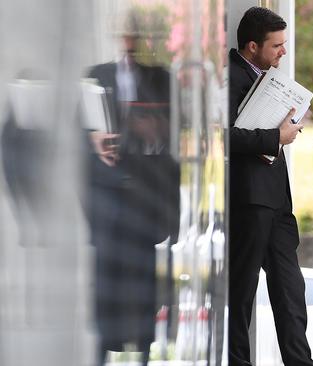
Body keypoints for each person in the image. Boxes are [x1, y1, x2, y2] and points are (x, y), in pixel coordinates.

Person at [85, 10, 179, 366]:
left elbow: (175, 136)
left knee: (143, 288)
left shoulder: (161, 78)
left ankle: (142, 355)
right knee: (105, 284)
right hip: (107, 196)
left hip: (145, 197)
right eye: (124, 34)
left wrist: (154, 133)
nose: (130, 41)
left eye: (135, 34)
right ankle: (100, 355)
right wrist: (95, 141)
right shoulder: (96, 76)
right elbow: (78, 133)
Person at [228, 7, 313, 366]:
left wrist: (285, 131)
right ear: (252, 46)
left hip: (277, 202)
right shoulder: (227, 78)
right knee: (241, 293)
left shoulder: (268, 77)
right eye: (277, 45)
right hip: (247, 202)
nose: (283, 52)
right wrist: (274, 137)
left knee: (291, 292)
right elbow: (218, 137)